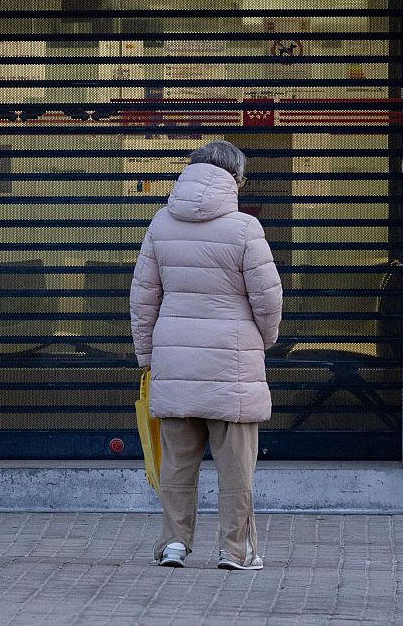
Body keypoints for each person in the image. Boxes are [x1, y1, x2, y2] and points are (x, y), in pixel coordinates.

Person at [129, 140, 282, 570]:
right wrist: (263, 340)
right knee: (236, 470)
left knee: (177, 464)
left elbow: (143, 299)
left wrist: (147, 356)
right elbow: (268, 299)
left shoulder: (161, 224)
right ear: (236, 178)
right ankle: (236, 551)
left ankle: (174, 544)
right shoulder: (245, 228)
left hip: (175, 361)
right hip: (233, 363)